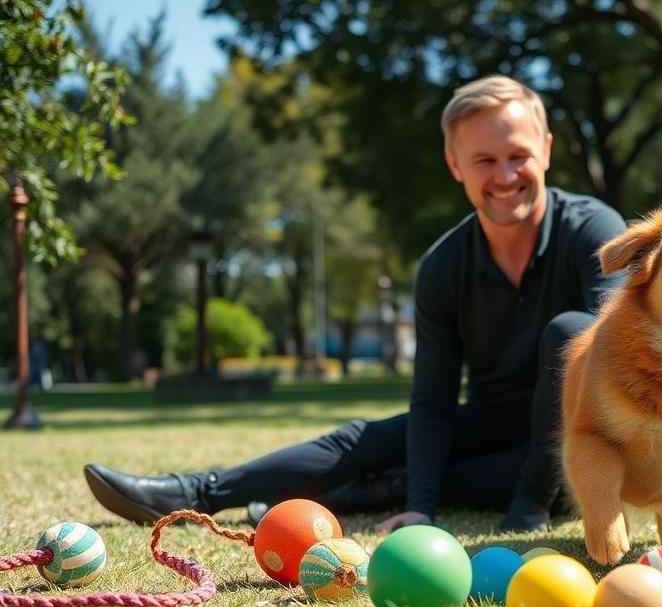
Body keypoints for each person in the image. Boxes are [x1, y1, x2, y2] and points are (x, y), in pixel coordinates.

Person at [83, 75, 627, 534]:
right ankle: (194, 492)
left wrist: (526, 505)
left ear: (548, 151)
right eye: (484, 159)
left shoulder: (595, 231)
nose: (505, 176)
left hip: (586, 439)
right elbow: (434, 404)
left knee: (573, 331)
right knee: (370, 438)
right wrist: (420, 505)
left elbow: (616, 357)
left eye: (519, 156)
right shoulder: (442, 265)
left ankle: (368, 496)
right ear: (454, 164)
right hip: (490, 422)